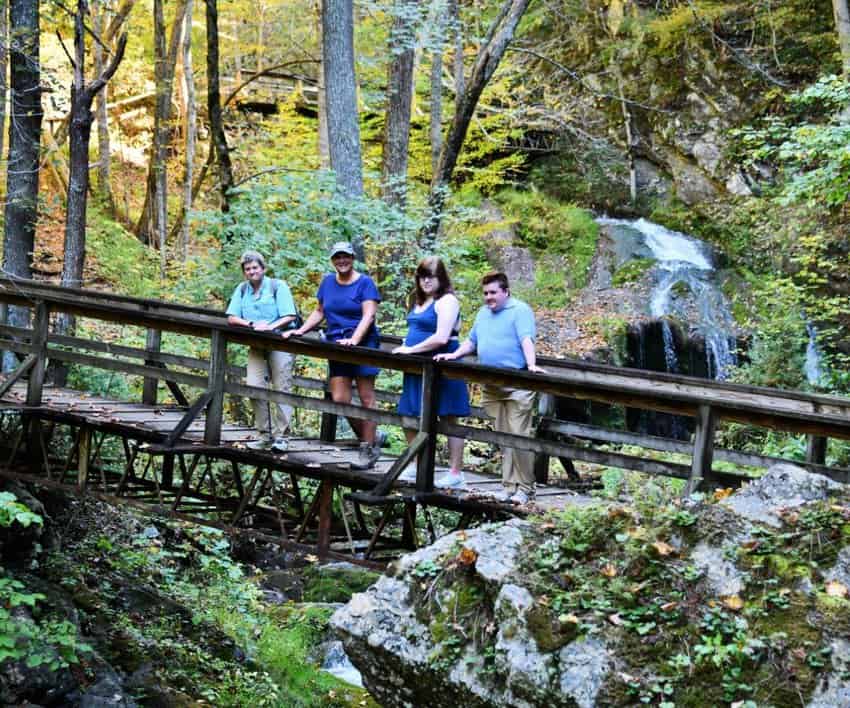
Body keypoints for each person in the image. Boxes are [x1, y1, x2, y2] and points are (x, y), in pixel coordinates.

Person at [435, 272, 544, 504]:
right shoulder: (483, 313)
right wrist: (454, 354)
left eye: (493, 292)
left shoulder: (520, 310)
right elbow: (472, 341)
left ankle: (526, 488)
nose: (488, 297)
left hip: (517, 385)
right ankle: (508, 486)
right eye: (485, 293)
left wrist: (532, 364)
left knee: (519, 437)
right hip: (491, 385)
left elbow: (526, 339)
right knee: (504, 438)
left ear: (506, 292)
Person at [283, 241, 383, 470]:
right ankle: (373, 437)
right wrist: (300, 330)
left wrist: (355, 340)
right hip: (336, 344)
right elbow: (320, 311)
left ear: (352, 258)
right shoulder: (328, 282)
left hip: (363, 344)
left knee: (367, 397)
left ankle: (367, 449)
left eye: (345, 256)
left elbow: (368, 316)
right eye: (337, 257)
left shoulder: (365, 283)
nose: (342, 261)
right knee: (340, 398)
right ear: (332, 260)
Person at [392, 257, 470, 487]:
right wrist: (407, 347)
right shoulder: (418, 301)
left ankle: (456, 472)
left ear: (441, 278)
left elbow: (441, 337)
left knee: (449, 415)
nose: (426, 281)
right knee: (408, 413)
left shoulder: (447, 301)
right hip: (416, 368)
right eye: (422, 276)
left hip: (442, 365)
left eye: (431, 276)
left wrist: (410, 349)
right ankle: (417, 465)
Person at [226, 250, 298, 452]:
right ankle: (264, 435)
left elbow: (290, 315)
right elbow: (231, 317)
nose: (251, 272)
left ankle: (282, 437)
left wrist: (271, 326)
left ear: (263, 269)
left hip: (280, 343)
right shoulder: (242, 290)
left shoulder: (278, 287)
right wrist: (250, 323)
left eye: (255, 268)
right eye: (247, 269)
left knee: (281, 387)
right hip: (256, 345)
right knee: (254, 386)